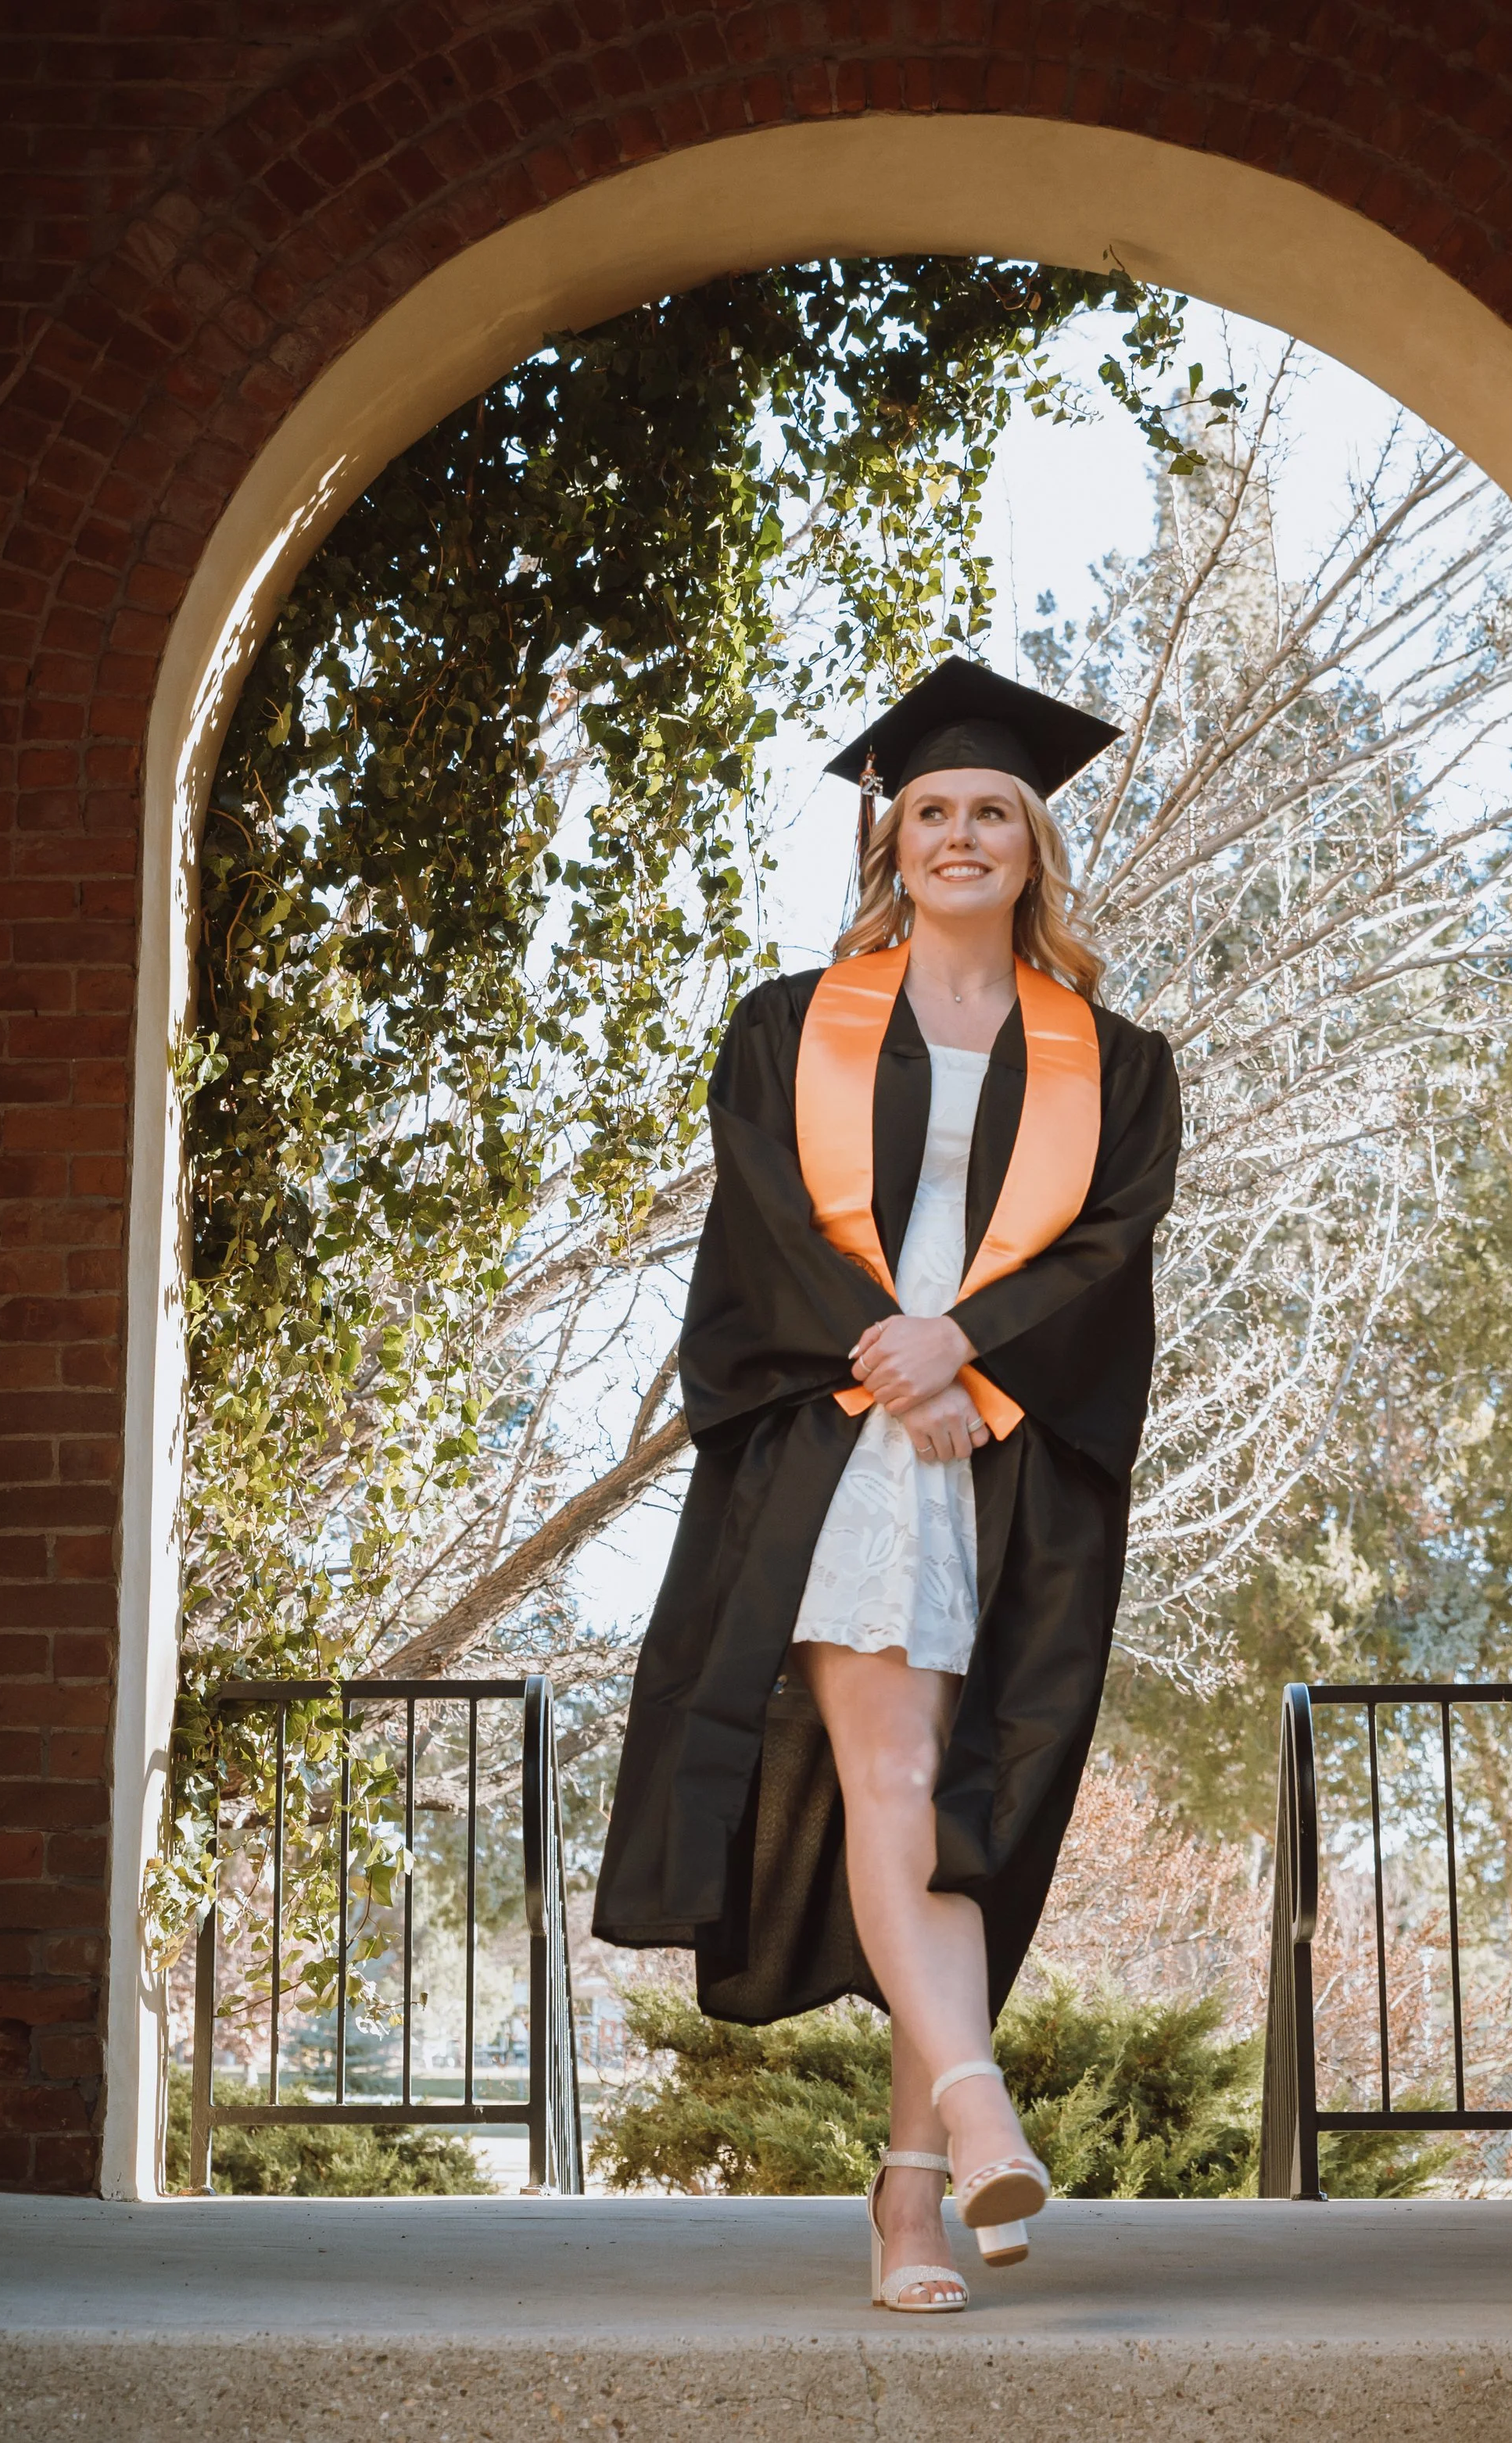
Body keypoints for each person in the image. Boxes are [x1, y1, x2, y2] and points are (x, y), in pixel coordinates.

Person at [594, 657, 1182, 2311]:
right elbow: (768, 1224)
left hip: (1012, 1446)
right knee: (897, 1773)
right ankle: (970, 2118)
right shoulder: (790, 1027)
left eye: (992, 809)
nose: (960, 833)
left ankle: (911, 2186)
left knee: (964, 1811)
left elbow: (1110, 1245)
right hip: (844, 1433)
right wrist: (888, 1363)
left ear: (1034, 844)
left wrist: (966, 1352)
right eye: (931, 810)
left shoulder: (1118, 1062)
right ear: (891, 840)